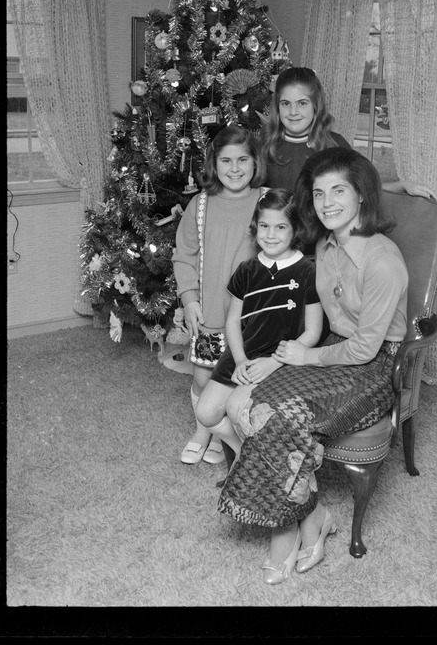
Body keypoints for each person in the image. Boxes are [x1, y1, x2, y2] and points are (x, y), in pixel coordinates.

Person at [217, 146, 409, 585]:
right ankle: (315, 516)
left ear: (361, 194)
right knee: (241, 403)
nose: (327, 203)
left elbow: (363, 350)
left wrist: (306, 355)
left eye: (338, 191)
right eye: (319, 193)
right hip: (329, 349)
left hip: (372, 367)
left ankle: (283, 533)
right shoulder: (325, 241)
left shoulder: (383, 262)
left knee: (279, 415)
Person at [194, 188, 324, 460]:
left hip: (282, 360)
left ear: (295, 229)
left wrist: (275, 362)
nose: (270, 234)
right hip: (244, 353)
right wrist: (240, 360)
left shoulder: (308, 272)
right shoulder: (247, 269)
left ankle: (257, 458)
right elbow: (232, 322)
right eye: (264, 226)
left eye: (280, 227)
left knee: (238, 408)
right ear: (255, 226)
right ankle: (245, 454)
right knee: (205, 412)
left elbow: (313, 331)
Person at [172, 126, 266, 465]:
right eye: (226, 160)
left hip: (252, 318)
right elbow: (183, 256)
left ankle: (221, 432)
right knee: (202, 377)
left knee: (236, 381)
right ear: (214, 163)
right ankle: (203, 430)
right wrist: (189, 299)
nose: (235, 168)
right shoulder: (200, 205)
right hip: (211, 309)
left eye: (243, 159)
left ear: (255, 162)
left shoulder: (268, 201)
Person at [260, 66, 434, 198]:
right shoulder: (266, 146)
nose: (293, 111)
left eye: (302, 103)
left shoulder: (334, 144)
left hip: (321, 239)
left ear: (315, 105)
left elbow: (362, 184)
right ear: (277, 106)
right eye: (285, 104)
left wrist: (401, 186)